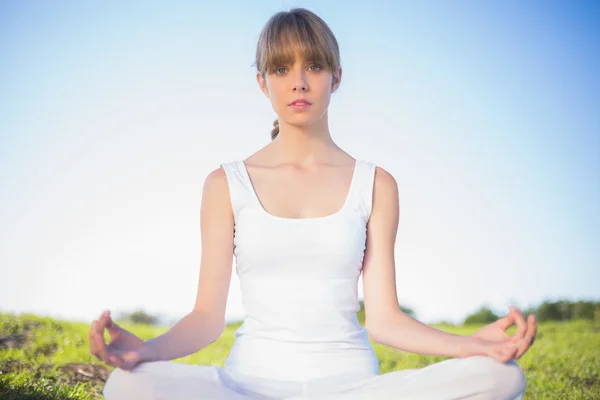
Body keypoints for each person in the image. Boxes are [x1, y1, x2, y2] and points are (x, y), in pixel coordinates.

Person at [90, 8, 537, 400]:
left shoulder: (376, 184)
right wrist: (146, 351)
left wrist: (473, 345)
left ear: (336, 77)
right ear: (262, 83)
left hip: (352, 388)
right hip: (250, 386)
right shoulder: (225, 184)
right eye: (281, 69)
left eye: (315, 66)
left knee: (500, 378)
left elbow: (385, 320)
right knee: (128, 386)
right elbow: (207, 318)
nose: (299, 82)